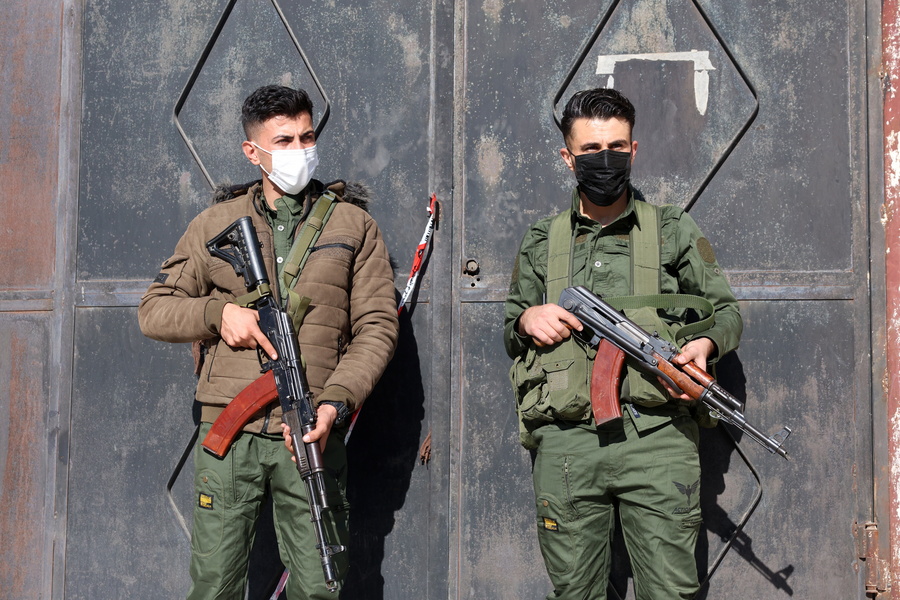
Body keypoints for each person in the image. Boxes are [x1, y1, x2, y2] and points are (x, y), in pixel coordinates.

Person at [138, 84, 399, 599]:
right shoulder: (215, 224)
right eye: (284, 140)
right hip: (230, 432)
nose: (300, 150)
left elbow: (377, 328)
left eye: (307, 137)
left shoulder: (354, 225)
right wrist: (218, 314)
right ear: (252, 151)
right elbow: (154, 310)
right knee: (215, 585)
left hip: (311, 429)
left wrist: (334, 403)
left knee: (320, 585)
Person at [504, 88, 743, 599]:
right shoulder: (543, 239)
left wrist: (704, 345)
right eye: (591, 149)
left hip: (658, 436)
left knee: (671, 592)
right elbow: (509, 328)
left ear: (633, 150)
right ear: (568, 157)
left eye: (616, 146)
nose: (605, 158)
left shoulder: (672, 229)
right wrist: (528, 319)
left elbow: (726, 312)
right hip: (567, 443)